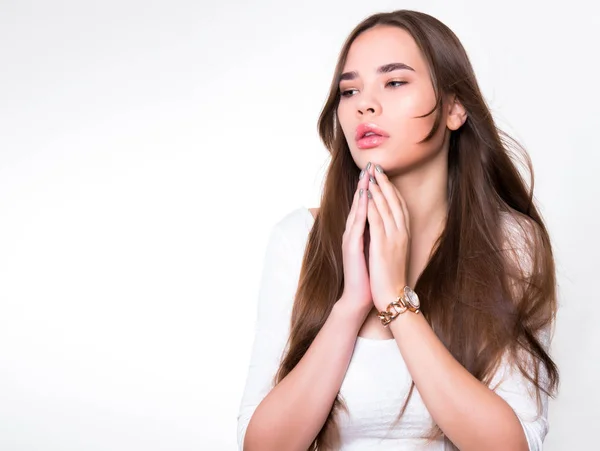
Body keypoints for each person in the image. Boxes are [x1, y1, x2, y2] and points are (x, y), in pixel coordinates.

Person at [236, 9, 559, 451]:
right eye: (349, 90)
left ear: (454, 107)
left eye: (395, 82)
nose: (364, 104)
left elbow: (513, 446)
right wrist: (352, 305)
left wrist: (396, 303)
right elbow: (261, 446)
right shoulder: (300, 240)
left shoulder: (511, 243)